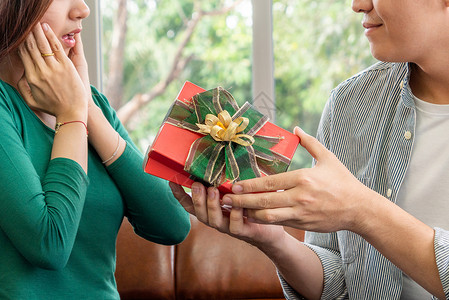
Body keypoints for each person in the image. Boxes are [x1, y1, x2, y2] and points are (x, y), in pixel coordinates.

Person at [170, 0, 449, 299]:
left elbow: (360, 211)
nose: (358, 5)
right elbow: (339, 283)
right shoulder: (350, 103)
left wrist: (362, 210)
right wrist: (274, 241)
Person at [0, 0, 190, 299]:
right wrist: (72, 116)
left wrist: (85, 104)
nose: (83, 9)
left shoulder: (94, 104)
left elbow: (172, 225)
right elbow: (49, 244)